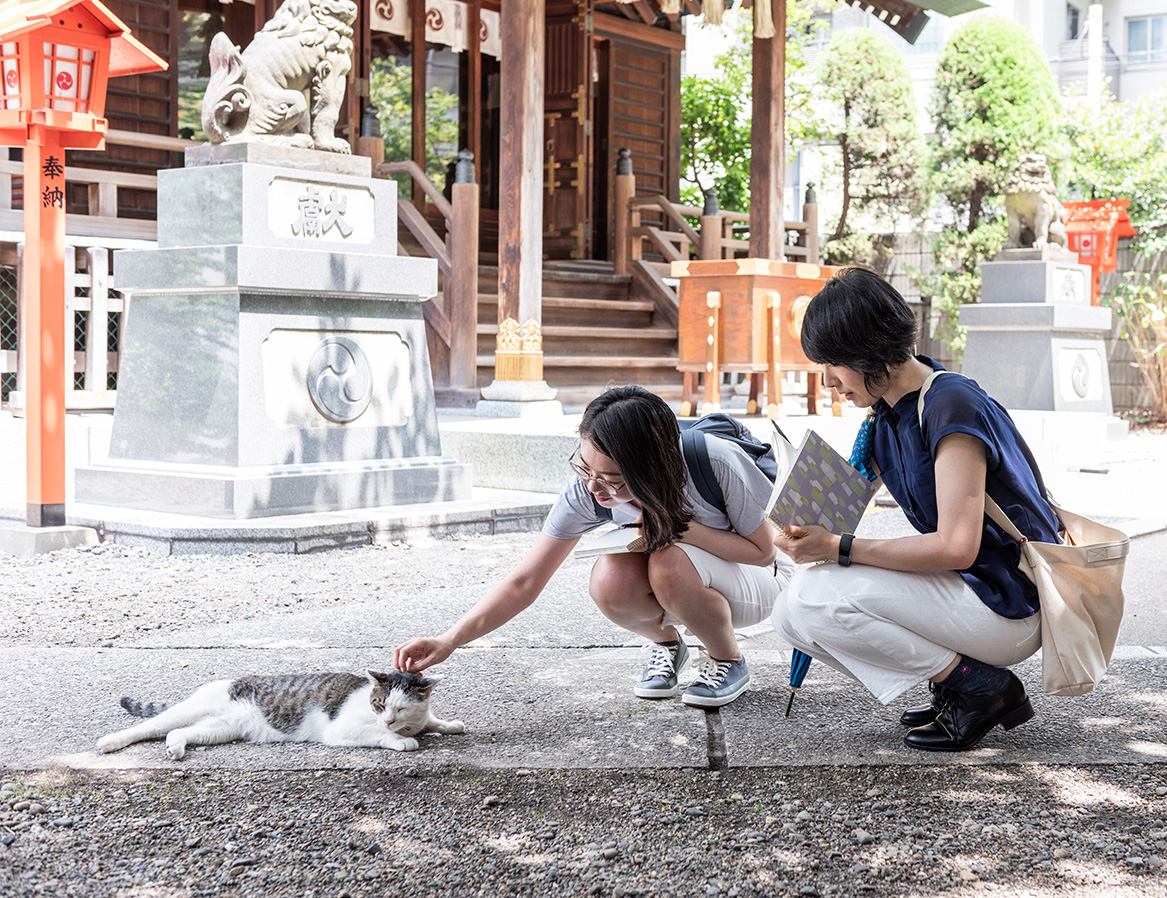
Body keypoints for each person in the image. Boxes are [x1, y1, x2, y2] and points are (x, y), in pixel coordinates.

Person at [771, 266, 1061, 751]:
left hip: (1011, 603)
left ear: (870, 351)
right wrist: (801, 526)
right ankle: (953, 683)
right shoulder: (887, 414)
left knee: (814, 600)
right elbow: (844, 500)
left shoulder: (951, 406)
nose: (827, 381)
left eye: (833, 363)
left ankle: (982, 687)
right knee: (790, 616)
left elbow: (957, 547)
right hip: (970, 591)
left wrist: (840, 546)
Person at [394, 386, 791, 708]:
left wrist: (675, 528)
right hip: (693, 580)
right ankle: (668, 646)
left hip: (759, 580)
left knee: (667, 561)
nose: (594, 487)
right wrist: (450, 640)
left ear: (655, 467)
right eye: (584, 467)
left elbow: (765, 551)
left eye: (613, 478)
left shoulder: (712, 460)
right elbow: (525, 581)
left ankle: (727, 659)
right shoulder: (588, 489)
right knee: (609, 577)